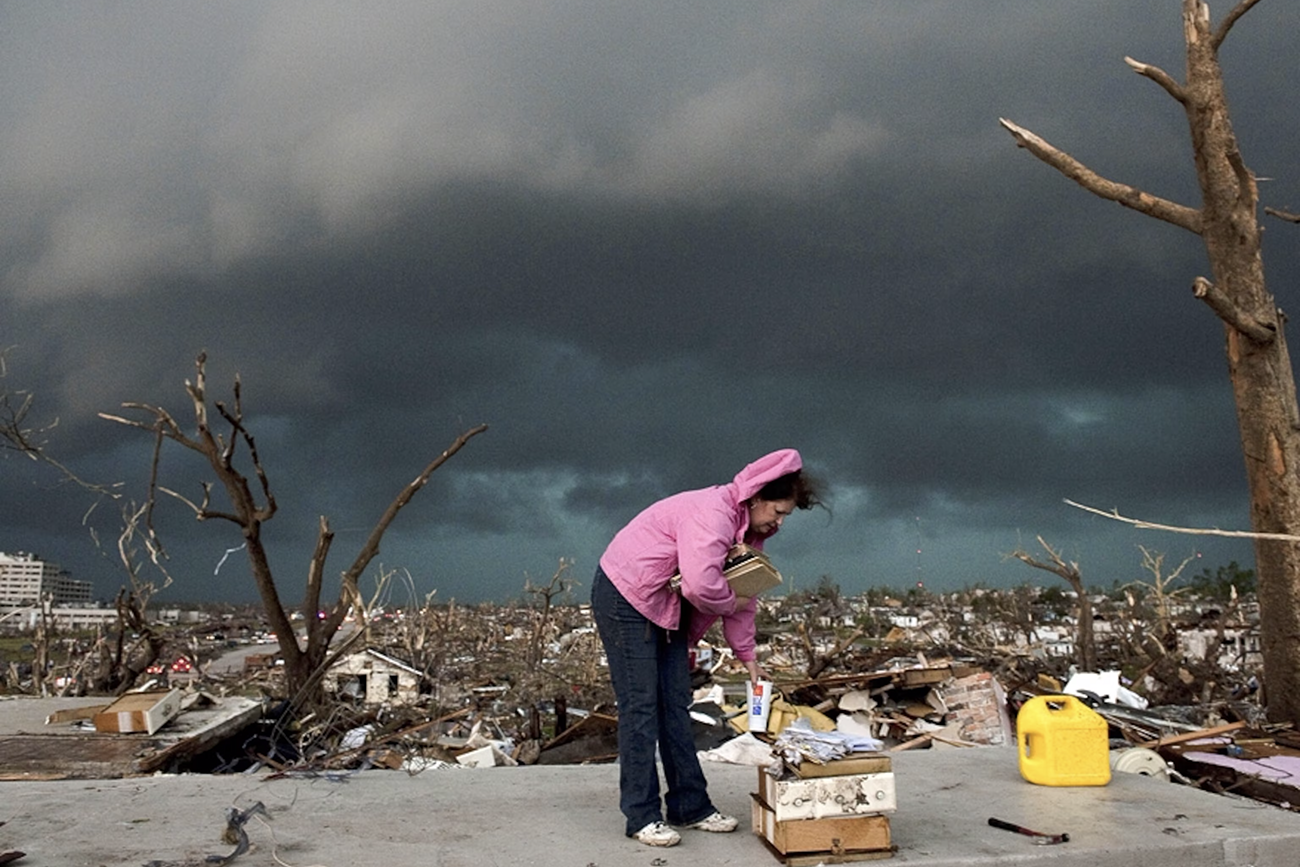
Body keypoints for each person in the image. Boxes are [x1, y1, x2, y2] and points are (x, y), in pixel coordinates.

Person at [591, 448, 824, 847]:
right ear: (755, 498)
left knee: (675, 704)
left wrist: (748, 658)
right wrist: (729, 602)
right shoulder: (713, 514)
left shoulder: (750, 535)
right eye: (777, 511)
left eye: (786, 516)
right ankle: (642, 815)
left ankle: (690, 806)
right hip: (625, 595)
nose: (779, 522)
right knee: (641, 706)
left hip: (663, 602)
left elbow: (743, 595)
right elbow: (703, 585)